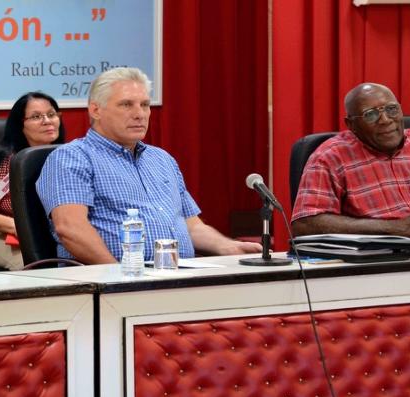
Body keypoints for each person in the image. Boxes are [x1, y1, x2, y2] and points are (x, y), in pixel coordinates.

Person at [36, 67, 262, 264]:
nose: (139, 114)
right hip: (113, 284)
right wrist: (119, 276)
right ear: (96, 110)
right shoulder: (72, 157)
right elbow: (70, 228)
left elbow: (191, 226)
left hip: (177, 276)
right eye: (126, 105)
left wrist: (229, 247)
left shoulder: (161, 159)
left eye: (144, 105)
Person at [291, 82, 410, 238]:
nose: (385, 120)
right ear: (351, 124)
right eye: (371, 115)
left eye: (391, 109)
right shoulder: (329, 157)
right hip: (377, 262)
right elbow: (306, 223)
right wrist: (391, 228)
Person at [0, 92, 65, 270]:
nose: (47, 121)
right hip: (0, 238)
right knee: (41, 273)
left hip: (49, 238)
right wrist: (19, 227)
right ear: (20, 125)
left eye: (52, 114)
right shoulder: (6, 162)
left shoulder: (67, 157)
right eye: (37, 116)